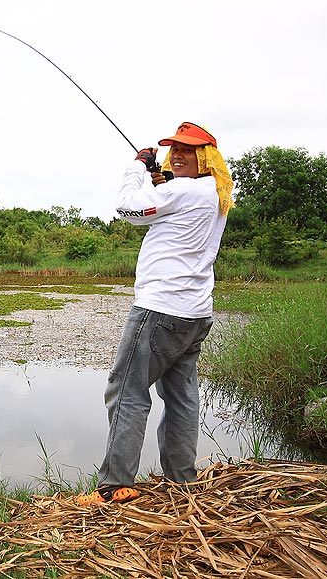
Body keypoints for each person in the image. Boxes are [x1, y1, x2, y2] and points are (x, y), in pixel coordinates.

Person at [77, 121, 233, 505]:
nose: (176, 155)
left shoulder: (183, 190)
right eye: (173, 149)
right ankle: (183, 480)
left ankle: (114, 486)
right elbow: (171, 203)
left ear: (206, 158)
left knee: (126, 391)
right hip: (196, 314)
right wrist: (160, 181)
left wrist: (136, 169)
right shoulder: (215, 192)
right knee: (181, 396)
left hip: (160, 310)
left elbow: (130, 208)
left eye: (188, 150)